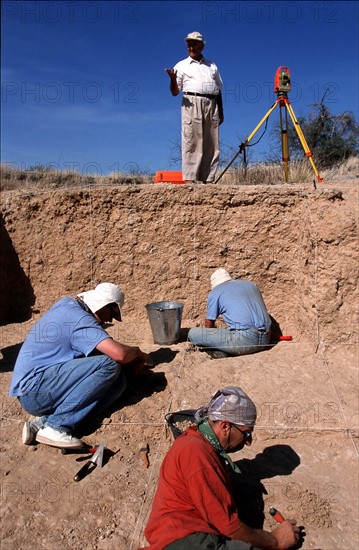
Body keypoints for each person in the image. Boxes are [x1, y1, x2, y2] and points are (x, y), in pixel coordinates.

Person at [142, 386, 300, 549]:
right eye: (246, 433)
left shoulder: (199, 443)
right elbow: (230, 528)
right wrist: (275, 540)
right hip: (184, 540)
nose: (248, 441)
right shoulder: (197, 453)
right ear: (225, 427)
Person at [9, 282, 152, 448]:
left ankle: (43, 422)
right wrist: (137, 353)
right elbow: (118, 354)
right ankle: (56, 426)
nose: (110, 319)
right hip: (34, 391)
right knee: (109, 365)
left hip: (39, 387)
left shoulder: (69, 305)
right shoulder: (80, 319)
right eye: (112, 312)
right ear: (103, 305)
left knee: (118, 382)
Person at [165, 31, 224, 184]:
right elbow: (174, 92)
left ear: (201, 45)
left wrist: (221, 112)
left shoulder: (211, 65)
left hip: (211, 104)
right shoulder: (181, 65)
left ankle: (208, 179)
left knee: (212, 143)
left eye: (194, 43)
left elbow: (218, 89)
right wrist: (172, 80)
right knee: (192, 140)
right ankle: (190, 180)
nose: (191, 46)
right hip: (191, 102)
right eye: (189, 44)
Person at [188, 268, 272, 357]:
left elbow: (209, 323)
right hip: (266, 338)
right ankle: (226, 350)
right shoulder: (251, 285)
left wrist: (211, 334)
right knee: (227, 331)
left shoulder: (215, 292)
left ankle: (219, 351)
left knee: (193, 333)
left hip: (244, 341)